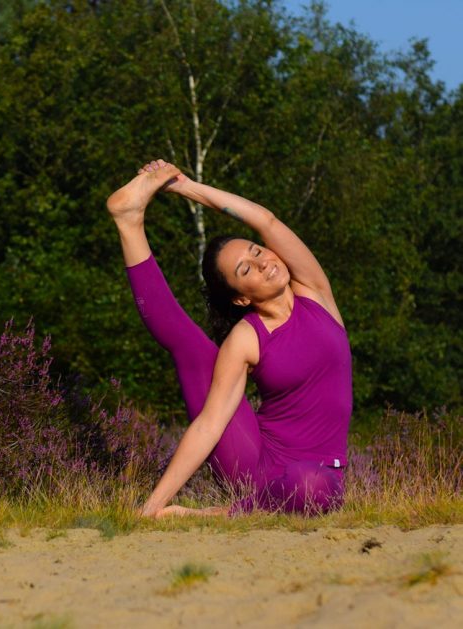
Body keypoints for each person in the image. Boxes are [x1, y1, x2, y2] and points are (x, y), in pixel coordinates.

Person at [106, 159, 352, 518]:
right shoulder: (247, 337)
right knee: (194, 349)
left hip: (320, 475)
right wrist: (152, 504)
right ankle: (130, 223)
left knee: (311, 486)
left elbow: (264, 221)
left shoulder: (316, 293)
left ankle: (209, 517)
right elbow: (210, 423)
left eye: (256, 251)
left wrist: (185, 186)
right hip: (253, 466)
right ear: (240, 298)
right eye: (246, 269)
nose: (263, 261)